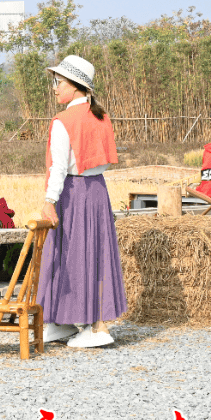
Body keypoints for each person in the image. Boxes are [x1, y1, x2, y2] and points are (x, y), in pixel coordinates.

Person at [38, 55, 127, 349]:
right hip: (98, 192)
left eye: (58, 82)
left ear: (76, 86)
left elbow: (59, 167)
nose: (54, 87)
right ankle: (64, 320)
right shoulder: (100, 116)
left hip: (72, 193)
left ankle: (96, 327)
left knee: (67, 254)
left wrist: (49, 200)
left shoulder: (64, 121)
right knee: (92, 254)